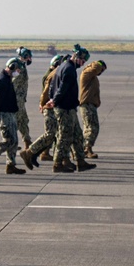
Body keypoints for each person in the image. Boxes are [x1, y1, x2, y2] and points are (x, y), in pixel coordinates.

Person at [45, 44, 96, 174]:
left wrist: (52, 99)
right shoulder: (69, 69)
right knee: (64, 136)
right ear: (77, 57)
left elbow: (52, 87)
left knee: (78, 135)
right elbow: (62, 88)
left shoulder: (64, 66)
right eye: (82, 61)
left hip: (69, 108)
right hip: (64, 109)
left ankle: (81, 162)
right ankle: (57, 164)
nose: (83, 64)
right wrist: (54, 101)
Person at [0, 58, 26, 176]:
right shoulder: (2, 80)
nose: (18, 72)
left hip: (10, 113)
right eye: (17, 69)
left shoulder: (8, 79)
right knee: (8, 140)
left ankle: (11, 165)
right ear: (11, 67)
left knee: (14, 141)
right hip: (4, 114)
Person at [79, 59, 107, 158]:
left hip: (91, 105)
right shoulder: (87, 73)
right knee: (92, 128)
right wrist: (99, 64)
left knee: (88, 128)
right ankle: (87, 149)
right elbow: (96, 67)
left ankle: (82, 149)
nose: (101, 72)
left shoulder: (92, 76)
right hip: (87, 104)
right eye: (102, 70)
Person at [9, 47, 34, 151]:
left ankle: (26, 141)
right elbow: (12, 81)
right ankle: (11, 142)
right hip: (16, 98)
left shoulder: (22, 65)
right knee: (17, 121)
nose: (29, 59)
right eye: (28, 56)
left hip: (20, 99)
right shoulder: (16, 65)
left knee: (23, 120)